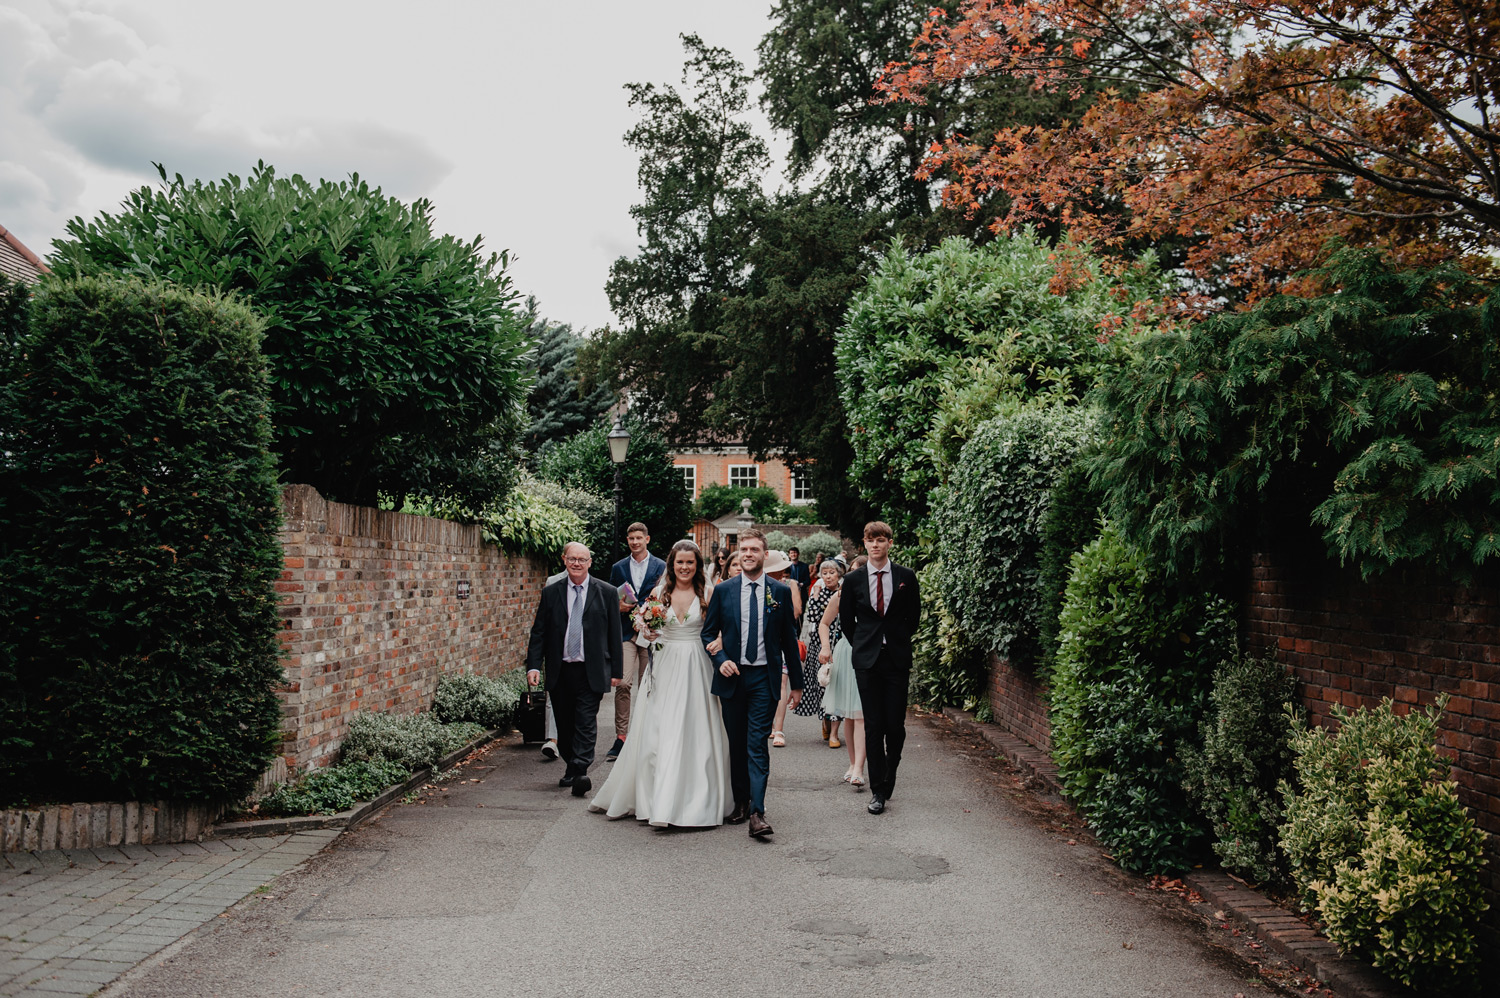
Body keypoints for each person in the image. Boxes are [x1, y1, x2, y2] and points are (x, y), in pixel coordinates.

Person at [589, 540, 732, 827]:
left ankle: (695, 798)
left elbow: (724, 628)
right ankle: (656, 798)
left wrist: (719, 641)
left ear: (697, 565)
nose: (685, 567)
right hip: (664, 666)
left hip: (696, 665)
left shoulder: (708, 592)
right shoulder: (659, 592)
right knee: (658, 728)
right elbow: (643, 624)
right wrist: (648, 631)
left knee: (695, 727)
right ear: (672, 564)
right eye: (680, 562)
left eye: (690, 562)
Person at [700, 528, 803, 838]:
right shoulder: (724, 590)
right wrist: (721, 660)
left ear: (764, 555)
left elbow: (789, 639)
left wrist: (796, 684)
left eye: (754, 550)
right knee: (737, 742)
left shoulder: (780, 592)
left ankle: (758, 812)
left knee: (756, 743)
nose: (747, 554)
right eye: (743, 549)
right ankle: (741, 801)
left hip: (763, 677)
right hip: (733, 677)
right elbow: (708, 633)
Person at [526, 543, 623, 798]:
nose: (577, 563)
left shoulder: (607, 592)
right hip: (561, 669)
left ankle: (580, 769)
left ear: (590, 562)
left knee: (586, 721)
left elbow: (615, 634)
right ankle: (571, 764)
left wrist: (617, 670)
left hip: (590, 669)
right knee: (565, 723)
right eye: (572, 559)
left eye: (582, 559)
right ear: (564, 560)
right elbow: (540, 632)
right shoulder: (552, 592)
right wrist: (534, 665)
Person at [838, 522, 920, 815]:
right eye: (871, 540)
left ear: (890, 543)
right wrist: (864, 644)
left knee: (894, 726)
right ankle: (878, 790)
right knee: (873, 724)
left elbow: (914, 617)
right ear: (864, 544)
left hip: (896, 658)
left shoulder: (906, 577)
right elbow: (847, 621)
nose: (875, 545)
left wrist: (894, 640)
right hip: (867, 661)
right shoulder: (854, 580)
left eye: (881, 540)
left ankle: (890, 772)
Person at [607, 523, 666, 760]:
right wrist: (618, 605)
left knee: (648, 685)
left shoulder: (661, 566)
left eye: (638, 538)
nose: (634, 542)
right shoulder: (618, 567)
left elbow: (667, 596)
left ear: (647, 539)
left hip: (650, 633)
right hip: (625, 631)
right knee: (622, 683)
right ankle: (621, 737)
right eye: (631, 538)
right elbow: (610, 595)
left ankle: (645, 736)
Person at [819, 557, 867, 787]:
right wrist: (826, 647)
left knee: (861, 714)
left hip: (868, 653)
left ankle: (859, 767)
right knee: (849, 714)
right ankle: (852, 763)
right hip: (845, 653)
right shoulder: (840, 596)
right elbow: (824, 623)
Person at [763, 549, 804, 749]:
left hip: (780, 642)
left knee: (780, 684)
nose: (780, 574)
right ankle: (767, 725)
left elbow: (796, 611)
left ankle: (778, 728)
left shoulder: (788, 586)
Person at [803, 559, 842, 745]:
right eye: (824, 573)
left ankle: (834, 732)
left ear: (839, 575)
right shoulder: (818, 593)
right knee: (823, 685)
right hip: (820, 645)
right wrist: (815, 596)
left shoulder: (844, 594)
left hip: (841, 644)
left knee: (838, 687)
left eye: (831, 573)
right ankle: (826, 721)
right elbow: (811, 617)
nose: (827, 576)